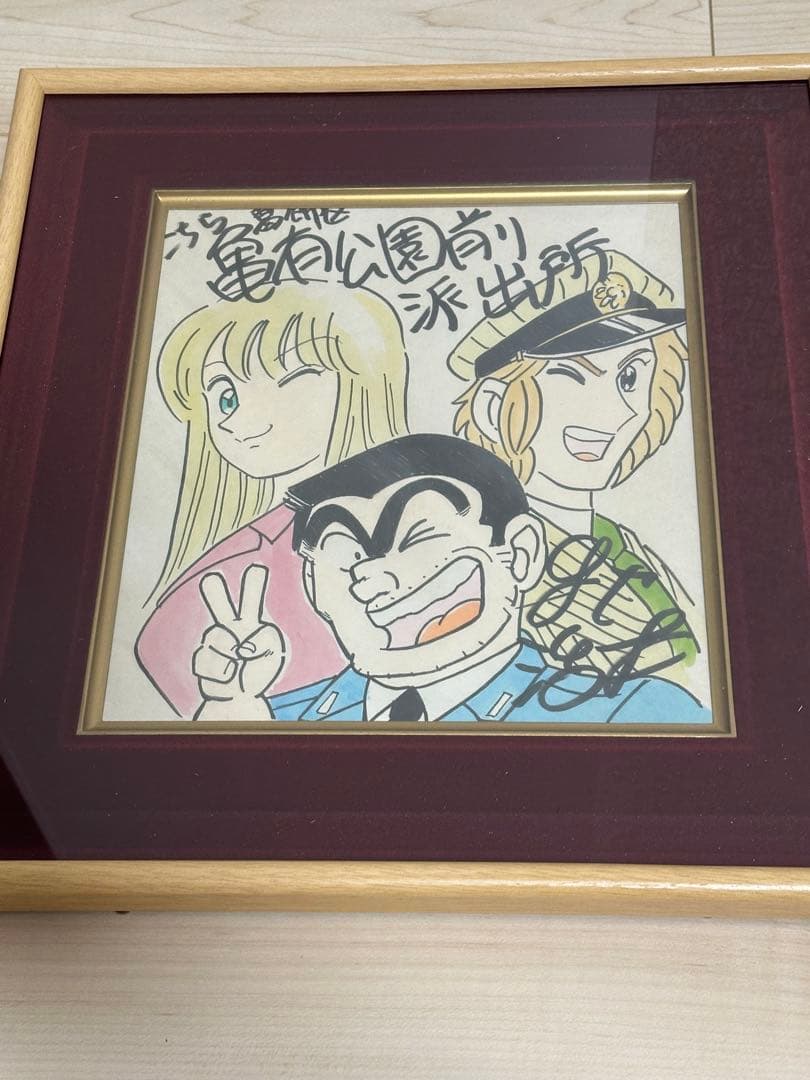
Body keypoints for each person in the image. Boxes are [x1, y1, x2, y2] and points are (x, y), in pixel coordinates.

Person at [190, 435, 710, 726]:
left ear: (521, 554)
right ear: (312, 587)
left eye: (418, 537)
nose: (372, 578)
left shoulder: (633, 716)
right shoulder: (272, 720)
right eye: (345, 555)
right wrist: (230, 721)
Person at [136, 281, 410, 716]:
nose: (242, 416)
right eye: (225, 396)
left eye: (291, 378)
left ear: (360, 383)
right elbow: (165, 655)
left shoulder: (435, 515)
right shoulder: (233, 569)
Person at [449, 249, 701, 688]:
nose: (616, 411)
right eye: (571, 376)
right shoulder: (490, 560)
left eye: (630, 378)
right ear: (492, 408)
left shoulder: (622, 543)